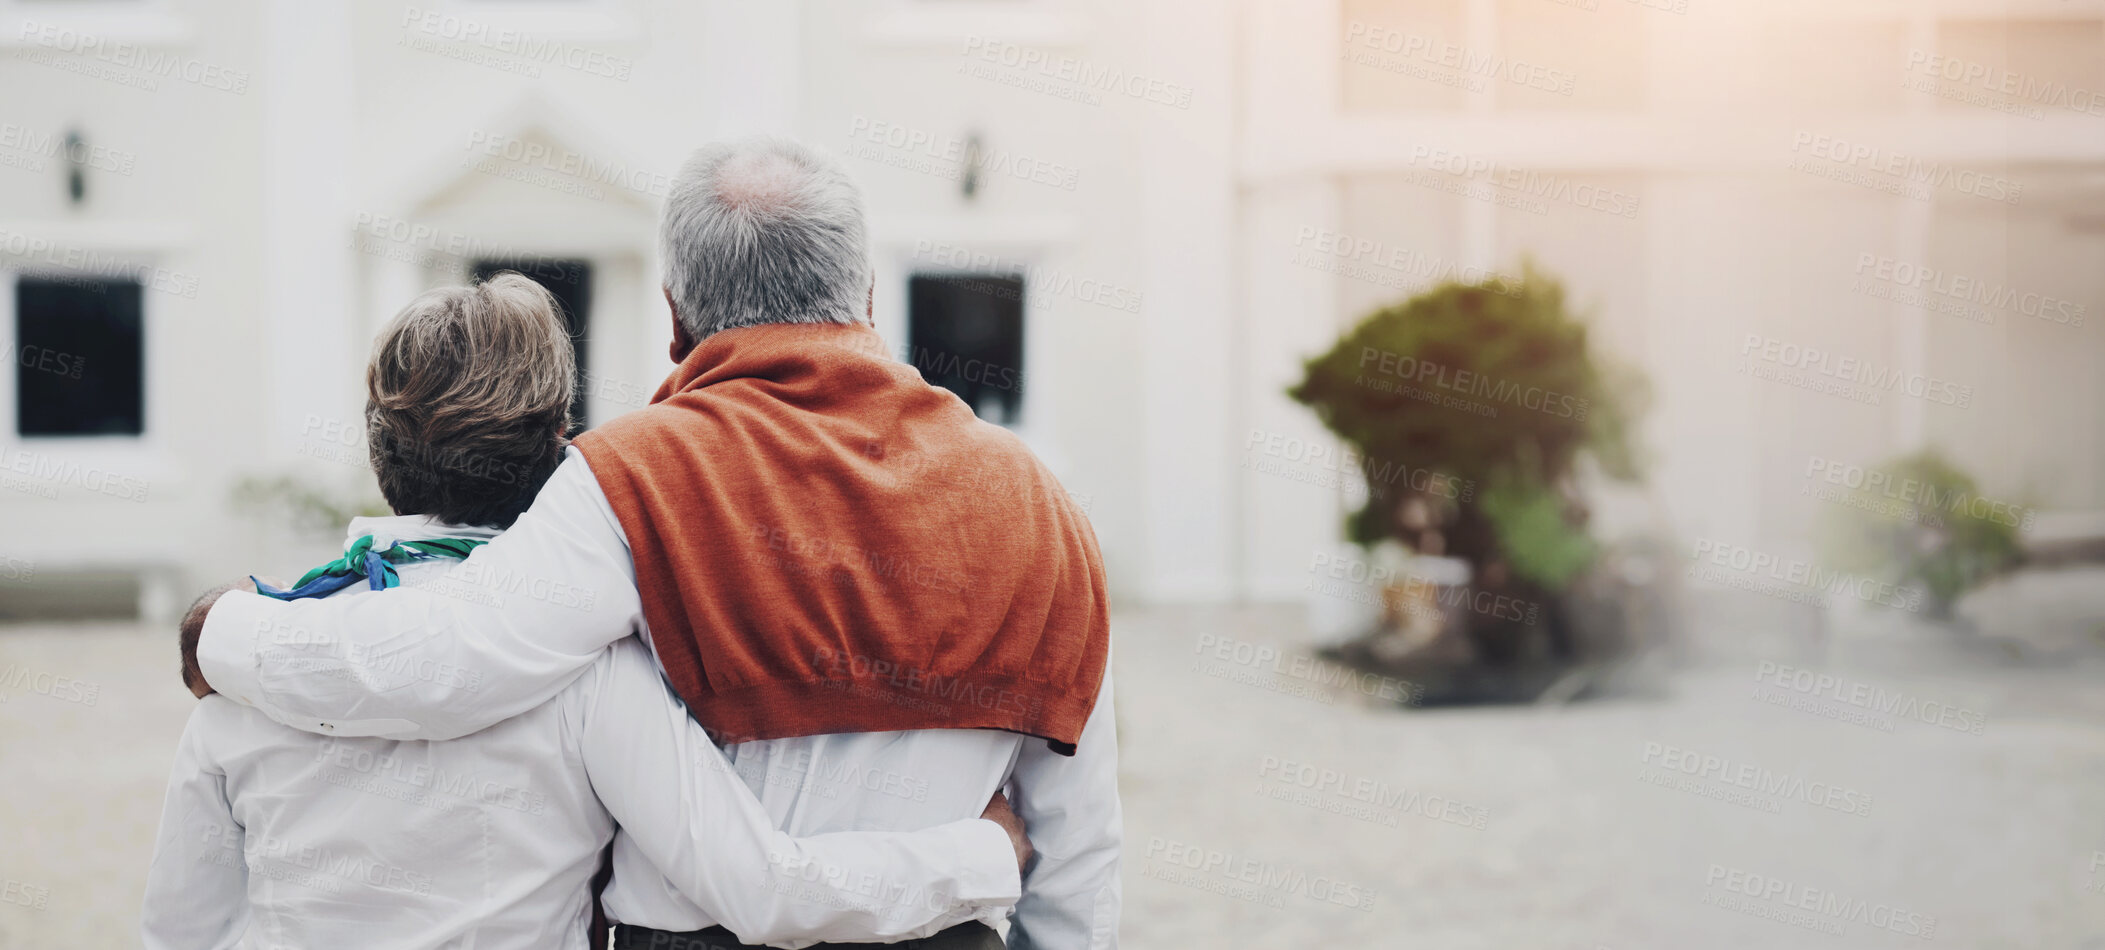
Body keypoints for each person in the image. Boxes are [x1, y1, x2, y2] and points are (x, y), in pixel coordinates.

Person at [180, 137, 1121, 950]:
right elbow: (1078, 838)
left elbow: (441, 664)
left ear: (673, 316)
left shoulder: (634, 476)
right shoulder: (1037, 500)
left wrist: (223, 632)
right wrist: (986, 863)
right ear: (867, 295)